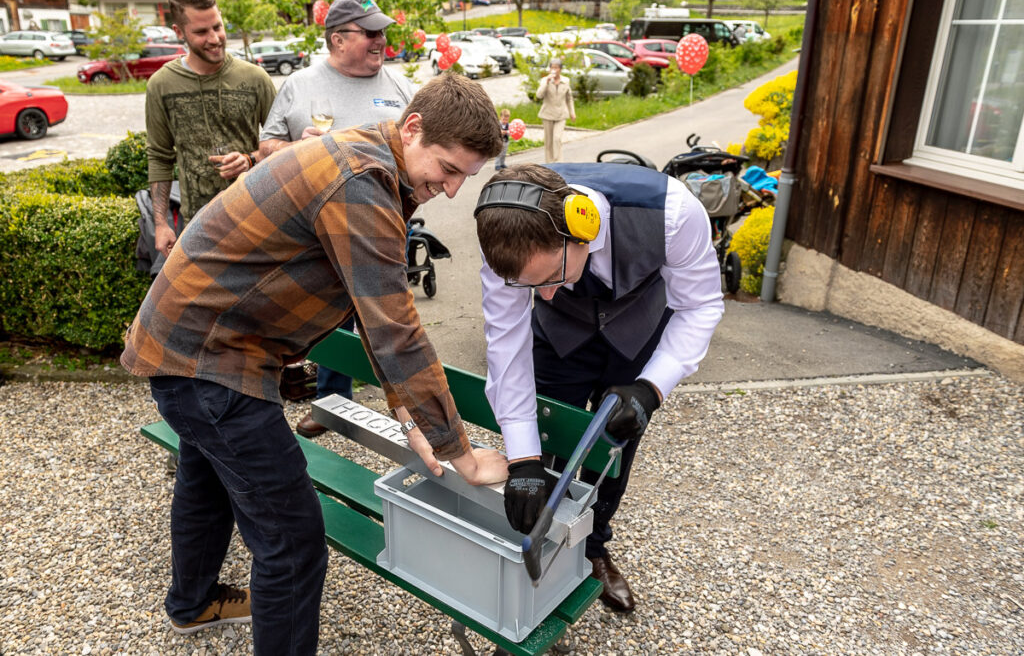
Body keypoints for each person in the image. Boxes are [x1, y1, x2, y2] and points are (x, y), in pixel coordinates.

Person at [121, 72, 508, 654]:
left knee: (206, 476)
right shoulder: (362, 181)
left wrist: (410, 417)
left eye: (465, 178)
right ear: (413, 127)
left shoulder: (368, 159)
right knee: (294, 541)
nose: (452, 190)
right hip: (212, 361)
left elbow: (373, 308)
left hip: (192, 347)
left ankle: (193, 603)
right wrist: (464, 455)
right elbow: (396, 329)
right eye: (448, 169)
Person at [474, 162, 724, 613]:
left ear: (581, 230)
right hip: (559, 339)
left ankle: (593, 547)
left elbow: (701, 305)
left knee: (615, 447)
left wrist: (652, 387)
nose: (544, 295)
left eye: (551, 277)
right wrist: (523, 458)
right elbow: (507, 345)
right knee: (547, 439)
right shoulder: (503, 232)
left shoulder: (674, 213)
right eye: (532, 286)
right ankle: (539, 546)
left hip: (637, 332)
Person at [258, 0, 417, 439]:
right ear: (337, 39)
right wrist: (298, 149)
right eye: (370, 32)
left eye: (382, 31)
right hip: (313, 232)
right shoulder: (301, 84)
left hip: (385, 224)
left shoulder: (400, 87)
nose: (381, 40)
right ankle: (332, 404)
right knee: (326, 315)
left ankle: (407, 410)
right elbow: (265, 148)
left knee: (389, 317)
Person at [146, 0, 276, 258]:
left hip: (255, 219)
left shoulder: (255, 79)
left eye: (217, 27)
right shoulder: (162, 85)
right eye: (202, 32)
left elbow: (284, 143)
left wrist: (250, 159)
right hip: (196, 226)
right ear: (179, 33)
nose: (215, 38)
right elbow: (159, 156)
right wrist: (161, 224)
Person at [535, 58, 575, 163]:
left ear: (560, 69)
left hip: (561, 114)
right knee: (548, 142)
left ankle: (558, 162)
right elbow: (539, 95)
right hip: (547, 114)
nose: (554, 70)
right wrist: (546, 83)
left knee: (557, 139)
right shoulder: (545, 81)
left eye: (556, 67)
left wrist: (572, 112)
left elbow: (569, 98)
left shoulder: (566, 81)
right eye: (552, 67)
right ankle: (549, 164)